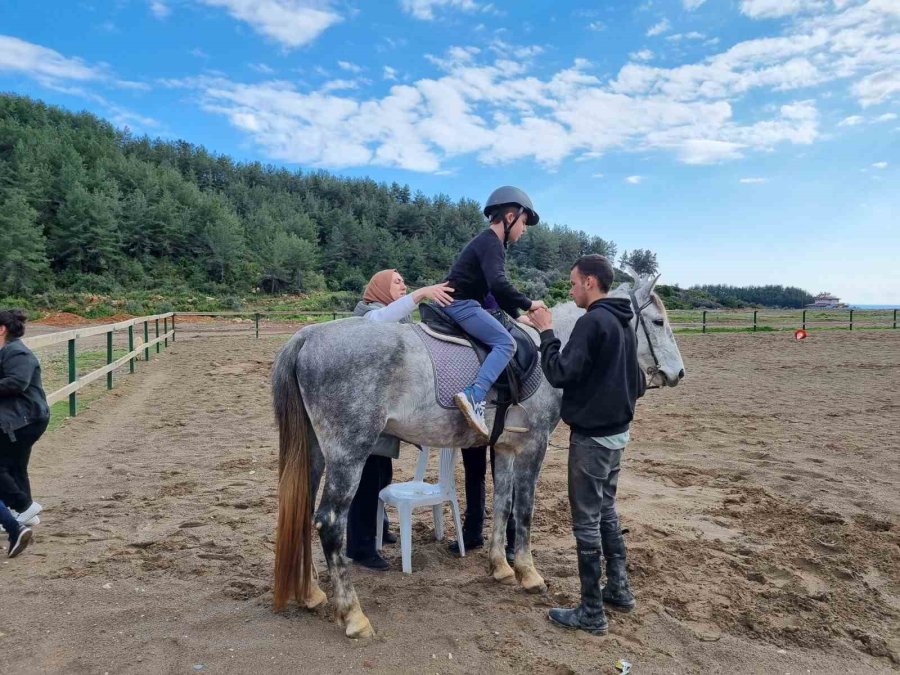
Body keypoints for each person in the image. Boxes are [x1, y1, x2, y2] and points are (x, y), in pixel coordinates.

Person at [529, 255, 646, 635]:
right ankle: (619, 589)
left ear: (590, 282)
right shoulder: (623, 322)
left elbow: (559, 372)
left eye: (573, 283)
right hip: (617, 436)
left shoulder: (591, 322)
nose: (571, 290)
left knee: (586, 521)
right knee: (606, 510)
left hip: (592, 439)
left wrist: (546, 333)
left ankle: (592, 611)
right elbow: (639, 383)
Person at [346, 270, 454, 569]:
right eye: (397, 282)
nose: (403, 285)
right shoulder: (368, 313)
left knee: (382, 476)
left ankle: (378, 528)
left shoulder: (399, 317)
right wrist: (419, 294)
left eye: (405, 282)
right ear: (380, 287)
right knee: (366, 482)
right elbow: (378, 323)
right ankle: (360, 546)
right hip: (367, 414)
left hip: (384, 417)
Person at [444, 186, 546, 440]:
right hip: (462, 304)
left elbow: (494, 288)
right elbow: (499, 284)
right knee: (506, 343)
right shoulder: (492, 243)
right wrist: (529, 303)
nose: (524, 229)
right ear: (510, 217)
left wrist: (517, 315)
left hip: (461, 301)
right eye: (524, 222)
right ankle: (475, 395)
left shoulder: (487, 242)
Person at [0, 309, 49, 529]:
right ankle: (25, 514)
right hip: (22, 418)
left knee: (5, 465)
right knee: (16, 466)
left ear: (2, 329)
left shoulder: (17, 353)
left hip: (26, 419)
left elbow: (17, 382)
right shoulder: (7, 351)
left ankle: (22, 507)